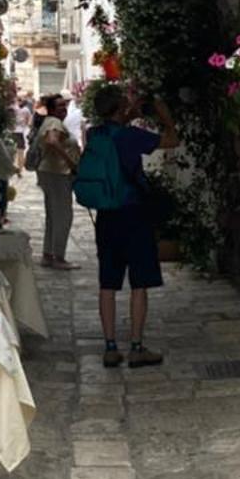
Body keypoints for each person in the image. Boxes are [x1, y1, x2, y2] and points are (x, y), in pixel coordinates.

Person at [77, 82, 177, 368]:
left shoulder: (94, 134)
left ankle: (110, 347)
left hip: (107, 215)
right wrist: (163, 115)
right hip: (134, 213)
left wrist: (127, 113)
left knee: (107, 283)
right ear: (120, 108)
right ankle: (136, 346)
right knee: (139, 283)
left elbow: (113, 140)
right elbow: (172, 140)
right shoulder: (132, 136)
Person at [33, 92, 81, 270]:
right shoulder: (54, 122)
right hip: (58, 172)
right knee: (63, 215)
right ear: (52, 109)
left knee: (53, 215)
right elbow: (53, 141)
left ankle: (48, 254)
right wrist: (70, 162)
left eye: (65, 105)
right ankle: (58, 257)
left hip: (49, 172)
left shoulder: (49, 122)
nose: (64, 109)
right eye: (60, 106)